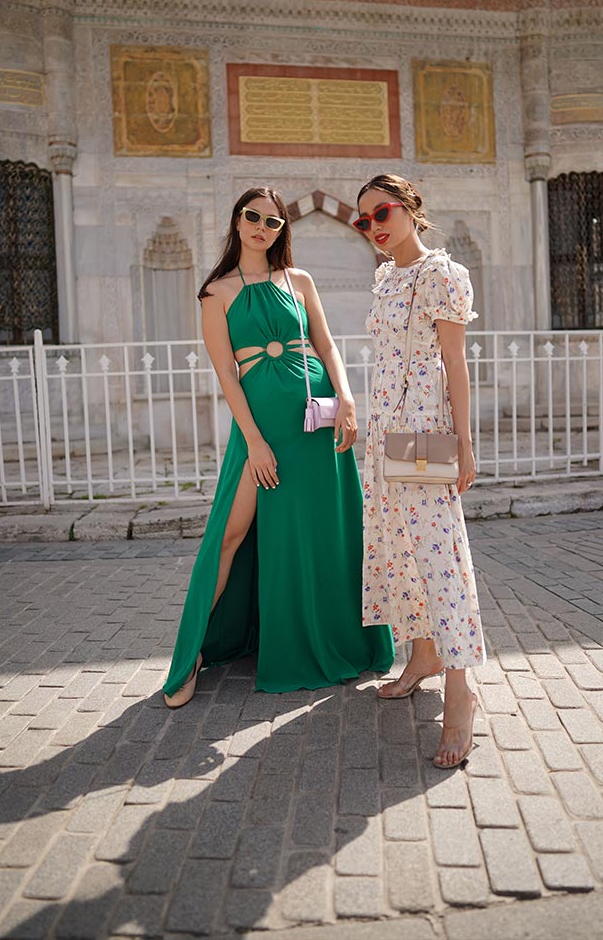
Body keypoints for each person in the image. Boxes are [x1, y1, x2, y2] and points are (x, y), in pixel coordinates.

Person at [164, 187, 394, 705]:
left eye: (272, 221)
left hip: (315, 424)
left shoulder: (299, 280)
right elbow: (226, 372)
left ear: (281, 230)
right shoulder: (215, 292)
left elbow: (326, 344)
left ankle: (333, 641)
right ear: (237, 220)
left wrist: (349, 399)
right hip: (261, 429)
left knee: (322, 534)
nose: (261, 227)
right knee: (230, 533)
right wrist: (254, 442)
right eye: (252, 217)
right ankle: (193, 655)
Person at [356, 173, 486, 769]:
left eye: (381, 213)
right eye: (364, 222)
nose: (374, 228)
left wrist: (464, 441)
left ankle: (460, 691)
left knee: (439, 554)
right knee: (399, 549)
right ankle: (424, 653)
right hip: (384, 434)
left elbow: (454, 364)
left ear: (410, 208)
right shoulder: (384, 279)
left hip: (423, 435)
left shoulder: (442, 274)